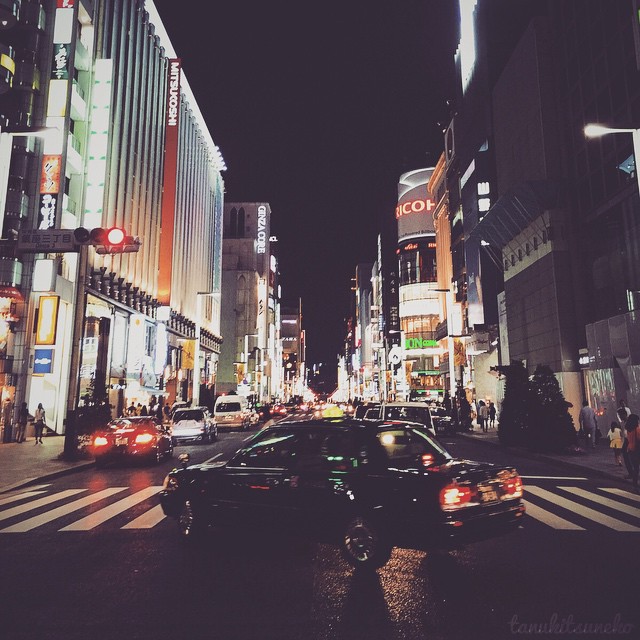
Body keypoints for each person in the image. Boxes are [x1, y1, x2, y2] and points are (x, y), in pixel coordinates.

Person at [624, 413, 640, 489]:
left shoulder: (628, 429)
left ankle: (634, 483)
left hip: (630, 450)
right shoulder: (637, 429)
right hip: (637, 450)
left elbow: (628, 439)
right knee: (637, 467)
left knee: (636, 468)